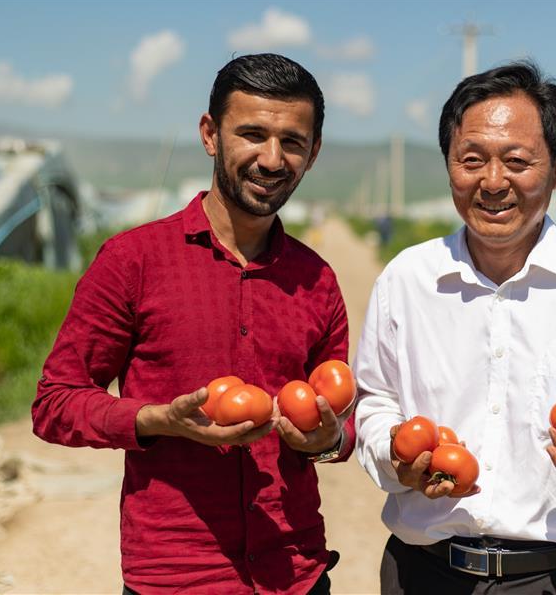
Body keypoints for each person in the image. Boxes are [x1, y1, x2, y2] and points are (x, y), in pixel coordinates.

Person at [353, 60, 556, 594]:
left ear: (555, 169)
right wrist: (394, 454)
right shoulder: (408, 279)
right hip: (424, 575)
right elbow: (374, 402)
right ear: (448, 166)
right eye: (471, 160)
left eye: (516, 161)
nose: (492, 182)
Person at [33, 53, 354, 595]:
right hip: (176, 576)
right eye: (252, 134)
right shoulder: (133, 260)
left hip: (295, 573)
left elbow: (340, 425)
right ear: (211, 134)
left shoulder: (316, 279)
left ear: (313, 153)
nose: (272, 159)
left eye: (292, 142)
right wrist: (159, 420)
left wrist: (326, 439)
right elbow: (55, 403)